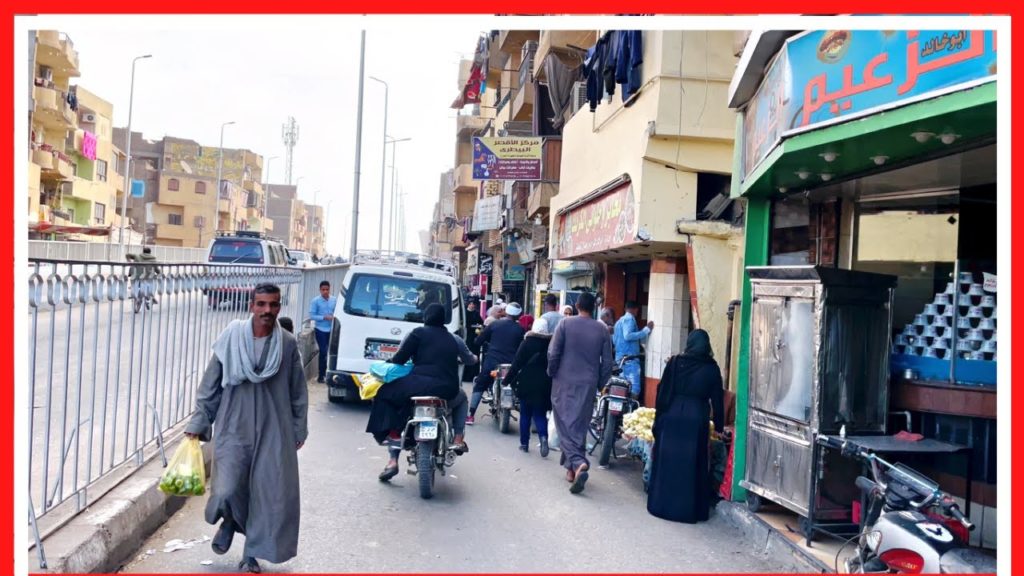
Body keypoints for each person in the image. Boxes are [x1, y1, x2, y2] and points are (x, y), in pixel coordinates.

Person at [185, 283, 308, 573]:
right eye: (262, 304)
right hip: (233, 425)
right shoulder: (231, 337)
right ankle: (229, 521)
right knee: (226, 489)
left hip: (273, 429)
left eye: (273, 305)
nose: (267, 311)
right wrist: (199, 422)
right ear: (252, 305)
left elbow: (298, 392)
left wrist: (298, 430)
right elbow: (210, 384)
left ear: (279, 307)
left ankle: (250, 553)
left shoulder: (287, 344)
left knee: (268, 493)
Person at [365, 303, 476, 480]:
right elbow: (470, 359)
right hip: (447, 388)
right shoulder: (455, 339)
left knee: (386, 394)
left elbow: (400, 359)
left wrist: (389, 363)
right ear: (443, 319)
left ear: (425, 318)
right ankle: (458, 438)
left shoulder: (416, 333)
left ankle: (392, 454)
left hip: (417, 385)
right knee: (462, 399)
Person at [647, 329, 725, 524]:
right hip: (696, 419)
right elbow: (717, 400)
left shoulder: (674, 363)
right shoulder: (712, 368)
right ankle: (689, 510)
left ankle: (661, 505)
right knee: (692, 464)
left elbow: (662, 391)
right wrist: (720, 427)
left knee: (668, 461)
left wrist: (659, 418)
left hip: (671, 416)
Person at [547, 292, 613, 495]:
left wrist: (552, 371)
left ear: (576, 305)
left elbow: (553, 352)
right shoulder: (602, 330)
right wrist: (600, 383)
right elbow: (608, 362)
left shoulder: (566, 324)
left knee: (564, 422)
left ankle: (577, 462)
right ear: (594, 308)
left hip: (564, 381)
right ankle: (571, 470)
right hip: (588, 383)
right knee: (579, 423)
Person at [469, 302, 526, 425]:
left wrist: (480, 341)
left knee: (480, 384)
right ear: (519, 315)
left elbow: (479, 341)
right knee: (518, 386)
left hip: (492, 362)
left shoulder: (495, 324)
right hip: (511, 366)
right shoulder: (520, 329)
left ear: (506, 312)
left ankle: (470, 415)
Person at [505, 317, 553, 456]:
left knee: (525, 413)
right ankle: (543, 437)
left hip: (526, 382)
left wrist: (506, 380)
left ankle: (524, 444)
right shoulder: (550, 344)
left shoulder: (526, 343)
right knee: (540, 413)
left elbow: (516, 364)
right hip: (544, 383)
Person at [613, 301, 654, 398]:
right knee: (634, 388)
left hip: (620, 359)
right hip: (629, 359)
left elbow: (615, 340)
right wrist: (646, 330)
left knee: (622, 387)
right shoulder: (629, 318)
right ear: (635, 309)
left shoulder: (619, 321)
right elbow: (627, 336)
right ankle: (630, 410)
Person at [308, 281, 336, 384]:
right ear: (320, 290)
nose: (325, 292)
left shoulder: (334, 300)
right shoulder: (315, 301)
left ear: (329, 289)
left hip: (332, 329)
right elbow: (312, 316)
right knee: (323, 351)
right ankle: (321, 375)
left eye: (327, 289)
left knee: (330, 352)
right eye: (323, 290)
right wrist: (324, 317)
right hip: (320, 329)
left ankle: (329, 373)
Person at [463, 300, 484, 383]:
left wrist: (478, 327)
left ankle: (474, 375)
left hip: (475, 337)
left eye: (473, 304)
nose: (472, 305)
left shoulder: (476, 313)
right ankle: (466, 376)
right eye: (470, 304)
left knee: (475, 354)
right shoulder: (464, 313)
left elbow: (481, 323)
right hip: (467, 336)